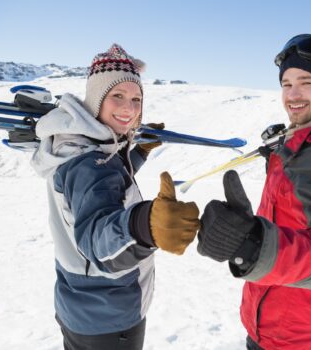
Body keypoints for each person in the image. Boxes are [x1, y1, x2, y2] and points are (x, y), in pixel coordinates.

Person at [197, 34, 311, 349]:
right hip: (273, 318)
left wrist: (252, 243)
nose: (293, 95)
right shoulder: (306, 142)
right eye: (286, 84)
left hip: (291, 332)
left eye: (306, 82)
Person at [31, 43, 200, 350]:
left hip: (81, 305)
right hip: (109, 317)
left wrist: (137, 155)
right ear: (96, 99)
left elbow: (106, 189)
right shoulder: (91, 162)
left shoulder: (83, 145)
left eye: (137, 99)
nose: (129, 108)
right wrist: (144, 226)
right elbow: (97, 237)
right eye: (117, 96)